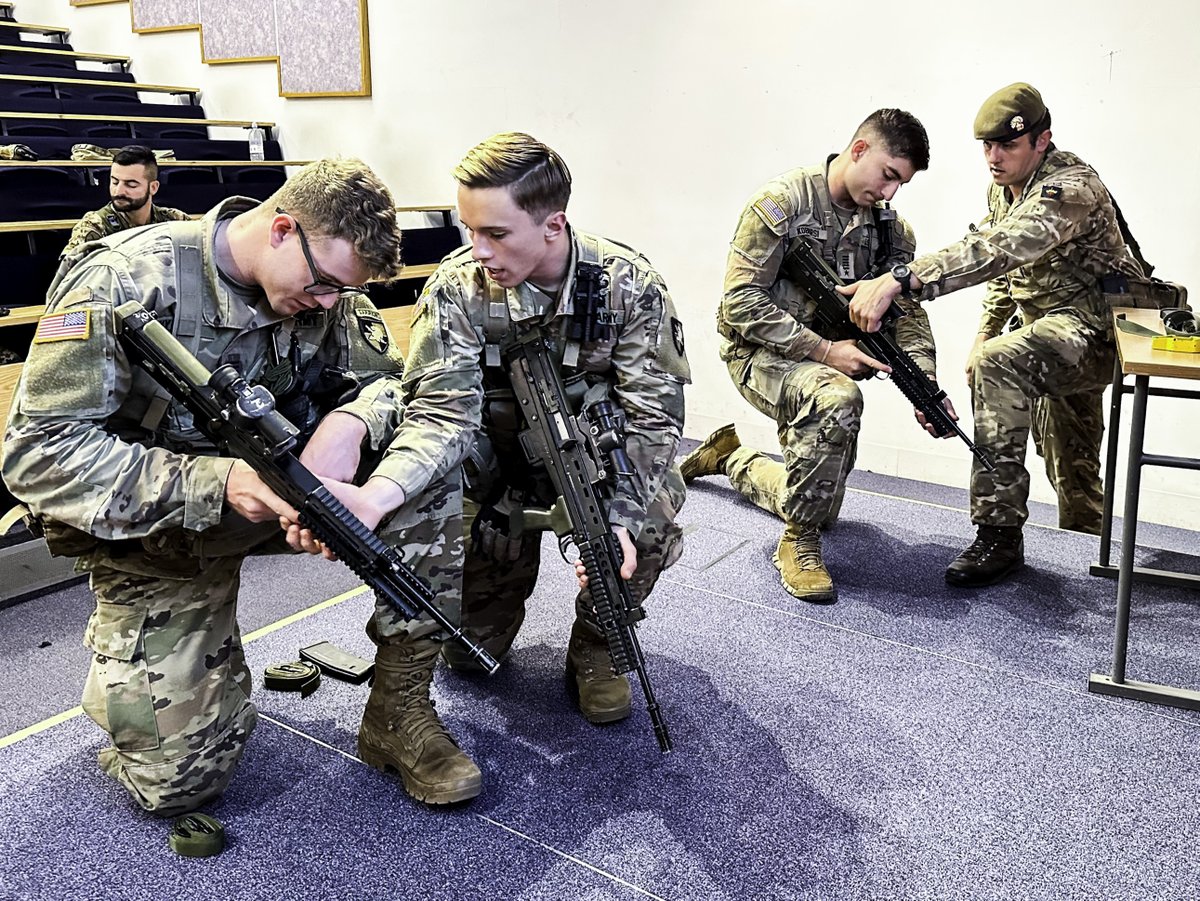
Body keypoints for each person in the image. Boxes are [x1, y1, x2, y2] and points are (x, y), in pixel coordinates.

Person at [2, 159, 406, 815]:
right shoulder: (122, 277)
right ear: (281, 229)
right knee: (180, 787)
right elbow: (36, 455)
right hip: (157, 534)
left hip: (276, 500)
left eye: (344, 290)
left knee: (432, 472)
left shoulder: (327, 290)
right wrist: (217, 482)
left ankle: (404, 714)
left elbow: (394, 382)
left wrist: (353, 419)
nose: (331, 302)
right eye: (326, 283)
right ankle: (124, 679)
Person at [313, 132, 690, 806]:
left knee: (656, 515)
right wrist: (381, 493)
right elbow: (441, 416)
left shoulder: (629, 284)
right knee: (475, 653)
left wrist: (625, 520)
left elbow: (655, 420)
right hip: (491, 475)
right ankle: (479, 611)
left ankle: (600, 642)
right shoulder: (458, 289)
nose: (479, 249)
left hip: (594, 469)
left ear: (554, 225)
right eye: (468, 229)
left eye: (495, 232)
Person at [845, 83, 1144, 586]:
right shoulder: (1004, 188)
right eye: (986, 145)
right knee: (1072, 462)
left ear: (1042, 140)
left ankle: (998, 535)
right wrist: (983, 332)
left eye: (1007, 145)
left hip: (1096, 333)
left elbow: (1002, 249)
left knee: (1007, 370)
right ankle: (1095, 567)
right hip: (1047, 334)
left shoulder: (1069, 190)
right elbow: (1006, 273)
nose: (993, 156)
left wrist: (902, 278)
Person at [681, 109, 941, 604]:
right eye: (888, 176)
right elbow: (739, 302)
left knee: (816, 499)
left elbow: (904, 313)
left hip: (824, 362)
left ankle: (730, 456)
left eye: (900, 184)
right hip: (759, 354)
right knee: (837, 399)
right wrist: (824, 351)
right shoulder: (781, 204)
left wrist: (925, 386)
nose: (889, 193)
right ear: (859, 149)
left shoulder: (892, 233)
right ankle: (797, 542)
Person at [61, 144, 191, 257]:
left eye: (131, 184)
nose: (119, 191)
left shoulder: (175, 220)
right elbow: (69, 275)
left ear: (153, 187)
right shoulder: (95, 225)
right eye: (115, 182)